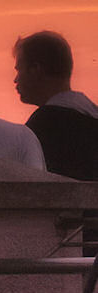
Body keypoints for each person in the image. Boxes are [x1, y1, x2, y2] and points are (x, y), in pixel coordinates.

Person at [12, 30, 98, 181]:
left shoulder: (43, 126)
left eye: (19, 69)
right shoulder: (91, 116)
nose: (15, 79)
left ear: (36, 70)